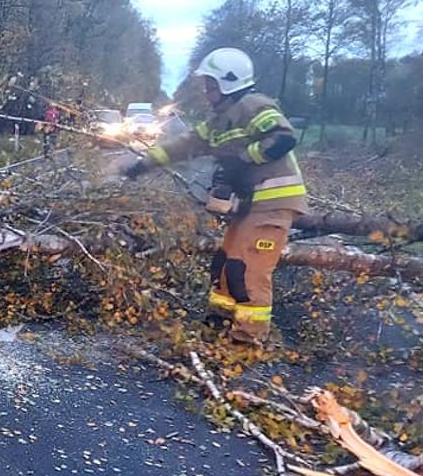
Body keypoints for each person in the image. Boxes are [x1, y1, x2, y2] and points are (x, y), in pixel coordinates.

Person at [124, 47, 308, 345]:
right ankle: (217, 328)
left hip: (273, 204)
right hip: (250, 207)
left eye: (211, 84)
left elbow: (283, 137)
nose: (206, 90)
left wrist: (245, 157)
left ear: (228, 82)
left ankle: (246, 343)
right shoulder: (218, 122)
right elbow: (183, 145)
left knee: (248, 273)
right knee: (225, 264)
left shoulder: (253, 106)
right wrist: (142, 164)